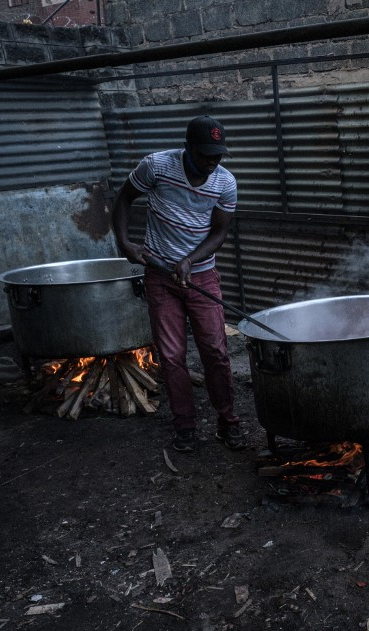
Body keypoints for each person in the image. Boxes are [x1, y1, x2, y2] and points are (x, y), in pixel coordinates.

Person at [112, 115, 244, 453]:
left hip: (201, 275)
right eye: (205, 156)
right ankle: (184, 425)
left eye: (218, 156)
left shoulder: (225, 183)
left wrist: (190, 260)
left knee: (215, 351)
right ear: (188, 148)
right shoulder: (155, 167)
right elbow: (123, 199)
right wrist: (125, 244)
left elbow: (219, 233)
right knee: (172, 356)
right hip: (159, 274)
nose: (212, 163)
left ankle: (227, 420)